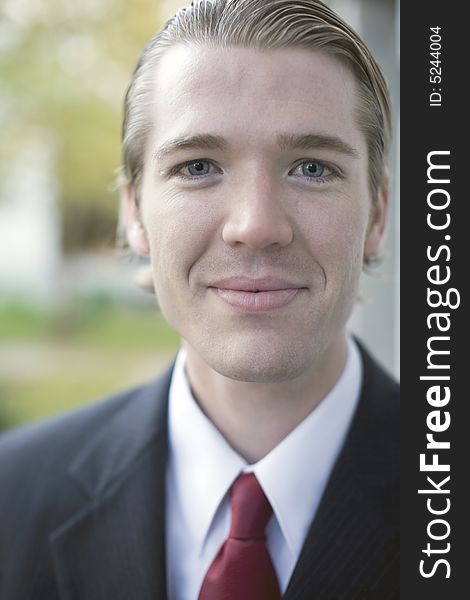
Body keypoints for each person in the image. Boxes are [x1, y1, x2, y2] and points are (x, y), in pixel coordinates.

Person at [0, 1, 399, 598]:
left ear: (376, 215)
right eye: (199, 166)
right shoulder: (12, 493)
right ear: (135, 212)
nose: (256, 225)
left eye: (313, 167)